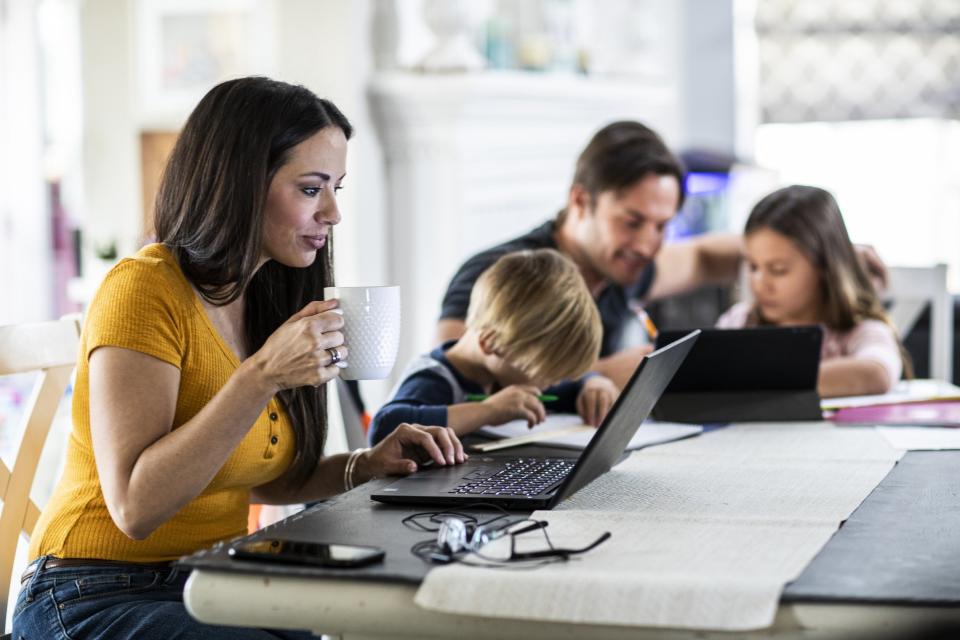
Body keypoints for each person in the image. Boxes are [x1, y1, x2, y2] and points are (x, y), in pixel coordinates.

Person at [14, 77, 465, 640]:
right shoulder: (144, 289)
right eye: (310, 189)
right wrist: (263, 376)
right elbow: (134, 507)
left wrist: (366, 464)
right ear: (241, 184)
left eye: (336, 189)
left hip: (210, 581)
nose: (332, 213)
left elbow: (257, 478)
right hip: (89, 591)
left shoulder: (268, 301)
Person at [436, 121, 888, 389]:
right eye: (633, 221)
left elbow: (713, 255)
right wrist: (610, 373)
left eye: (662, 225)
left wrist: (830, 252)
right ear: (580, 201)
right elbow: (460, 383)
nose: (650, 244)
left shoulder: (625, 266)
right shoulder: (495, 277)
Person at [370, 249, 618, 445]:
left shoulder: (503, 371)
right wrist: (487, 410)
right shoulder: (433, 378)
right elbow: (384, 427)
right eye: (549, 375)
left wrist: (592, 383)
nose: (553, 385)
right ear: (492, 343)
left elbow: (565, 390)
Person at [716, 185, 909, 398]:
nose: (760, 284)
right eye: (753, 267)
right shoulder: (739, 321)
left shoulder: (859, 332)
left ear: (825, 268)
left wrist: (756, 379)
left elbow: (877, 374)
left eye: (778, 270)